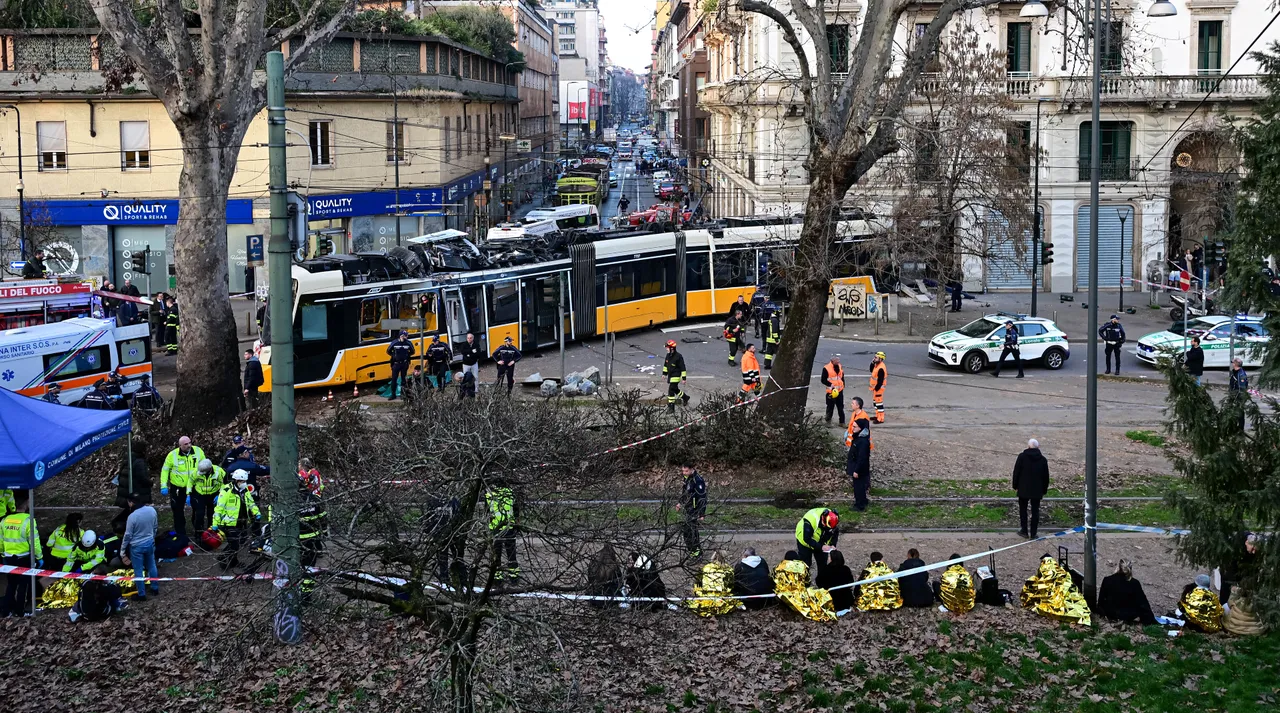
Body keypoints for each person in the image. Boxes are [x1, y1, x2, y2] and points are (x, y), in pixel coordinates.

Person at [211, 470, 261, 570]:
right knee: (234, 544)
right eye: (242, 481)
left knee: (239, 542)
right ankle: (224, 559)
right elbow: (219, 508)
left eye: (245, 481)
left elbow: (250, 503)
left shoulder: (244, 490)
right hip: (229, 523)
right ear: (236, 480)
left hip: (242, 521)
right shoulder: (226, 491)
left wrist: (257, 513)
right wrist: (215, 523)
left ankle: (231, 560)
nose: (244, 483)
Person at [1, 490, 40, 616]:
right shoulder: (29, 521)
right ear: (27, 502)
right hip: (24, 558)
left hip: (9, 557)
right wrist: (39, 557)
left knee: (11, 585)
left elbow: (0, 540)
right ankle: (20, 612)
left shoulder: (5, 520)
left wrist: (3, 554)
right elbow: (34, 542)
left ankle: (6, 611)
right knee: (23, 585)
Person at [160, 436, 204, 537]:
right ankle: (181, 535)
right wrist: (163, 485)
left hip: (195, 486)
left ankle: (199, 532)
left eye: (190, 443)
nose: (189, 445)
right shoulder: (172, 455)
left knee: (198, 509)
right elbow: (165, 470)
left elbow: (204, 466)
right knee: (177, 510)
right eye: (186, 444)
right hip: (178, 488)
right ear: (180, 445)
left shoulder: (198, 451)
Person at [121, 492, 159, 601]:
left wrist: (122, 551)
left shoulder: (132, 517)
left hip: (136, 547)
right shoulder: (152, 510)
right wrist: (152, 538)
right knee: (152, 566)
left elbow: (128, 535)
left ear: (131, 503)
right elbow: (155, 527)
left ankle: (141, 594)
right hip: (149, 543)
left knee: (138, 570)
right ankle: (155, 588)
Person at [1097, 559, 1157, 625]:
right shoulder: (1134, 583)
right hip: (1129, 615)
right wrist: (1150, 619)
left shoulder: (1107, 580)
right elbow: (1143, 603)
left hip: (1110, 613)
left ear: (1118, 567)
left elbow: (1101, 601)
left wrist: (1103, 613)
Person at [1012, 438, 1050, 539]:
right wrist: (1044, 489)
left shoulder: (1022, 457)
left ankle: (1024, 530)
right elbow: (1046, 477)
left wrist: (1015, 485)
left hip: (1023, 488)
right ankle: (1033, 533)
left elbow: (1016, 472)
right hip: (1037, 490)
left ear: (1028, 446)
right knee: (1035, 511)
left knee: (1023, 510)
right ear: (1038, 447)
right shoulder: (1043, 460)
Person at [486, 481, 520, 580]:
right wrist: (517, 525)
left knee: (496, 554)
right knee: (511, 553)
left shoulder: (489, 495)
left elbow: (486, 513)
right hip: (509, 527)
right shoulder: (510, 493)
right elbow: (516, 511)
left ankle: (497, 576)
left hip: (495, 528)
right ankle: (513, 575)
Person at [794, 507, 840, 577]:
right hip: (805, 542)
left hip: (821, 542)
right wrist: (821, 547)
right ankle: (803, 580)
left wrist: (833, 544)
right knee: (805, 564)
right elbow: (807, 539)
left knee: (822, 564)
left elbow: (835, 533)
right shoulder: (810, 520)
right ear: (823, 520)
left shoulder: (832, 519)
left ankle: (821, 581)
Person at [190, 458, 226, 537]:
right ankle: (198, 534)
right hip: (200, 495)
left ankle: (212, 533)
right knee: (199, 514)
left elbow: (224, 483)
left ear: (209, 469)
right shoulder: (196, 472)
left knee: (212, 514)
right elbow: (190, 482)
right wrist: (188, 494)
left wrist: (220, 494)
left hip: (213, 494)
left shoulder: (219, 472)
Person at [677, 464, 706, 557]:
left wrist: (701, 513)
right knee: (687, 532)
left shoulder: (698, 480)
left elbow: (702, 498)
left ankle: (696, 552)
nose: (684, 473)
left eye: (686, 471)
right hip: (688, 509)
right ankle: (693, 552)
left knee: (691, 532)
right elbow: (685, 493)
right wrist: (680, 503)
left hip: (694, 510)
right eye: (683, 471)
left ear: (691, 469)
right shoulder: (687, 478)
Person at [816, 549, 856, 613]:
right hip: (846, 600)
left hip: (831, 599)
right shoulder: (846, 569)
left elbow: (819, 582)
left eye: (829, 557)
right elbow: (851, 582)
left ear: (831, 559)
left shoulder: (825, 570)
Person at [386, 331, 415, 400]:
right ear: (401, 336)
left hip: (404, 363)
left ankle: (403, 394)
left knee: (403, 379)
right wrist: (394, 356)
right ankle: (393, 394)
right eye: (406, 335)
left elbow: (413, 351)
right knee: (394, 379)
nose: (407, 337)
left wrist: (406, 355)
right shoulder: (395, 342)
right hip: (396, 364)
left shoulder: (408, 343)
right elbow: (388, 351)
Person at [662, 339, 689, 413]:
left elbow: (683, 368)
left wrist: (684, 378)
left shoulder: (678, 356)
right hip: (670, 375)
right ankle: (685, 397)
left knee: (671, 390)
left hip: (676, 375)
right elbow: (665, 365)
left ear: (672, 348)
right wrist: (664, 374)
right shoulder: (668, 355)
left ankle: (671, 407)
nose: (666, 349)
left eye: (667, 348)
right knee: (675, 389)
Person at [821, 356, 845, 426]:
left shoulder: (839, 366)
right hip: (831, 392)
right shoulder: (826, 368)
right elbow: (823, 380)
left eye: (838, 360)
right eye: (836, 360)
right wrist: (830, 384)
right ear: (832, 361)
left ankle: (842, 422)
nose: (838, 361)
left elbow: (842, 376)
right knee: (830, 407)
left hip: (840, 391)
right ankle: (828, 421)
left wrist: (843, 384)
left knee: (840, 407)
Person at [1228, 357, 1249, 430]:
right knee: (1235, 412)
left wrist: (1236, 398)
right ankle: (1234, 427)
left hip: (1238, 397)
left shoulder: (1240, 374)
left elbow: (1241, 388)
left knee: (1240, 413)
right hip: (1234, 395)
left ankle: (1240, 429)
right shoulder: (1235, 372)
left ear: (1236, 364)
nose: (1232, 364)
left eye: (1233, 363)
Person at [868, 351, 887, 423]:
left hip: (878, 389)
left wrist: (876, 389)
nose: (874, 358)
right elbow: (871, 370)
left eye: (876, 358)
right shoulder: (877, 365)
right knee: (875, 403)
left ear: (881, 359)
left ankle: (881, 419)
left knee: (879, 404)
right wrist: (872, 362)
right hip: (875, 388)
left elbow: (880, 381)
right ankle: (877, 416)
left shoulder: (881, 368)